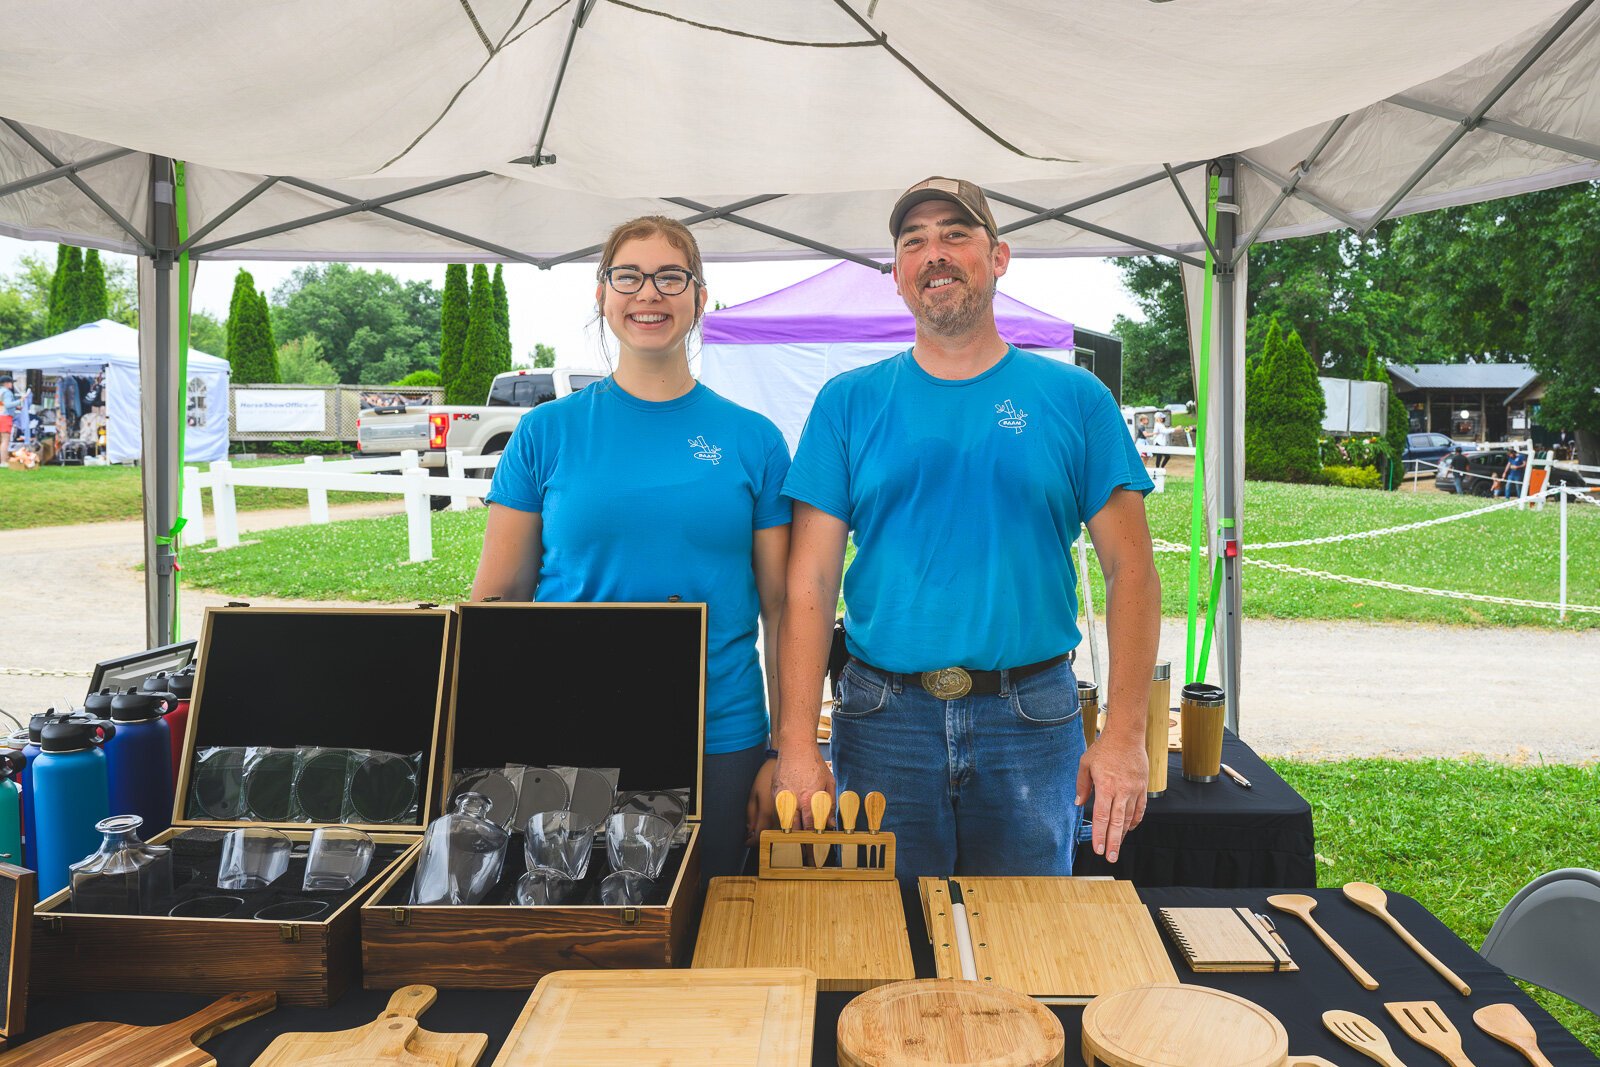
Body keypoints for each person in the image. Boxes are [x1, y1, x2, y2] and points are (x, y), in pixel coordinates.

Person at [775, 177, 1160, 881]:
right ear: (896, 275)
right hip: (881, 717)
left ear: (1000, 256)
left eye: (955, 234)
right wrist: (797, 742)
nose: (935, 253)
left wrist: (1126, 734)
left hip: (1033, 722)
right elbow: (811, 580)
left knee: (1024, 949)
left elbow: (1131, 570)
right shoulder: (846, 405)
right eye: (914, 241)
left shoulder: (1076, 399)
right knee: (885, 945)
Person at [470, 216, 792, 880]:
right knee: (576, 935)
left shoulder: (753, 440)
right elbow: (498, 602)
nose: (650, 293)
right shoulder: (544, 434)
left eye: (671, 277)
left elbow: (783, 610)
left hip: (718, 740)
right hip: (569, 736)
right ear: (602, 293)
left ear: (700, 296)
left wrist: (784, 749)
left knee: (707, 936)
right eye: (630, 276)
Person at [0, 374, 19, 461]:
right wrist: (20, 400)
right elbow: (7, 405)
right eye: (11, 383)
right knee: (5, 441)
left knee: (1, 440)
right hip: (5, 417)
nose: (12, 385)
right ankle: (3, 461)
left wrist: (16, 407)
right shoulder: (7, 392)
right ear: (7, 383)